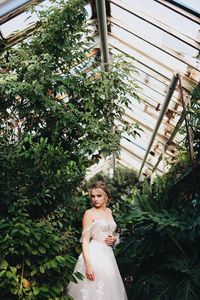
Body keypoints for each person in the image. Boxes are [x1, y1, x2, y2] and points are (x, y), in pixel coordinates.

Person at [67, 181, 128, 300]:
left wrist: (114, 239)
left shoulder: (109, 211)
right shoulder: (89, 213)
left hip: (108, 256)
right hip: (94, 255)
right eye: (93, 196)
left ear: (106, 196)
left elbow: (111, 232)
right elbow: (85, 241)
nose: (95, 199)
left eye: (99, 196)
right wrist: (88, 265)